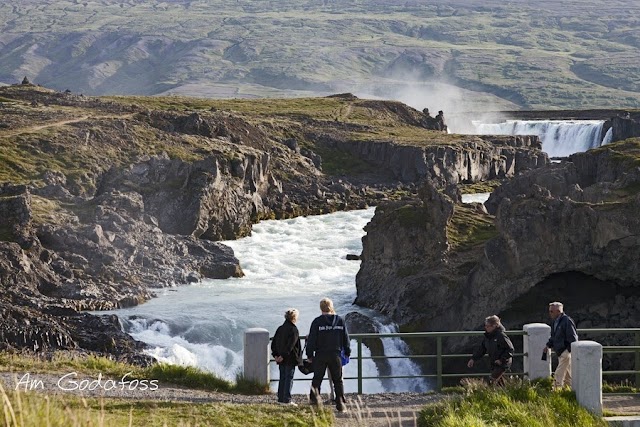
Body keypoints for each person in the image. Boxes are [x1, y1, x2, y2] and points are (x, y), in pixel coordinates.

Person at [306, 297, 350, 412]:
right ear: (331, 307)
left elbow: (311, 339)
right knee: (338, 380)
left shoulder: (317, 322)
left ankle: (314, 401)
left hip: (320, 354)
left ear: (321, 308)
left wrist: (309, 355)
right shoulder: (340, 320)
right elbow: (346, 338)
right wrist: (347, 351)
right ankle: (340, 404)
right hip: (336, 354)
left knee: (317, 378)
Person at [467, 315, 514, 385]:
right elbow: (482, 349)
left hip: (503, 363)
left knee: (491, 380)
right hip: (494, 363)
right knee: (500, 384)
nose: (486, 328)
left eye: (488, 326)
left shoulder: (501, 336)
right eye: (485, 326)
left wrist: (501, 360)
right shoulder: (488, 337)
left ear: (494, 326)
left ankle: (487, 394)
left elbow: (510, 349)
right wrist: (473, 359)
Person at [543, 302, 578, 389]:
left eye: (551, 311)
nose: (549, 313)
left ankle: (555, 389)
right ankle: (569, 391)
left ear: (558, 311)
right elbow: (554, 336)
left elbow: (573, 337)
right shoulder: (556, 321)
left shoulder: (566, 321)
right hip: (561, 350)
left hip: (565, 351)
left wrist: (568, 350)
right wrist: (548, 345)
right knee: (567, 375)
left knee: (559, 372)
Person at [271, 308, 302, 406]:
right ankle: (287, 400)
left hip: (280, 358)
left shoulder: (280, 328)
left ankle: (280, 398)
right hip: (289, 358)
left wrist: (276, 356)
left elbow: (273, 344)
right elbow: (290, 346)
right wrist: (282, 356)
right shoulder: (294, 330)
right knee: (289, 378)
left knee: (282, 378)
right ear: (294, 318)